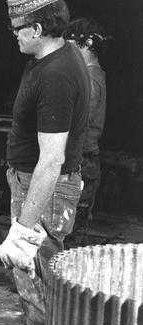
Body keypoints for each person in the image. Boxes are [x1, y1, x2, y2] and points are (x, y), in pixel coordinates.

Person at [0, 0, 89, 325]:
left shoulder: (57, 74)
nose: (14, 35)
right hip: (35, 186)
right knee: (36, 292)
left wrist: (23, 231)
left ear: (37, 29)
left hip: (45, 191)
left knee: (39, 296)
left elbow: (51, 160)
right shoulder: (51, 61)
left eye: (18, 28)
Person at [64, 18, 109, 231]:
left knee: (71, 232)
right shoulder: (91, 74)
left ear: (88, 44)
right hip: (82, 161)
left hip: (82, 162)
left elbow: (79, 122)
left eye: (71, 44)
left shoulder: (90, 77)